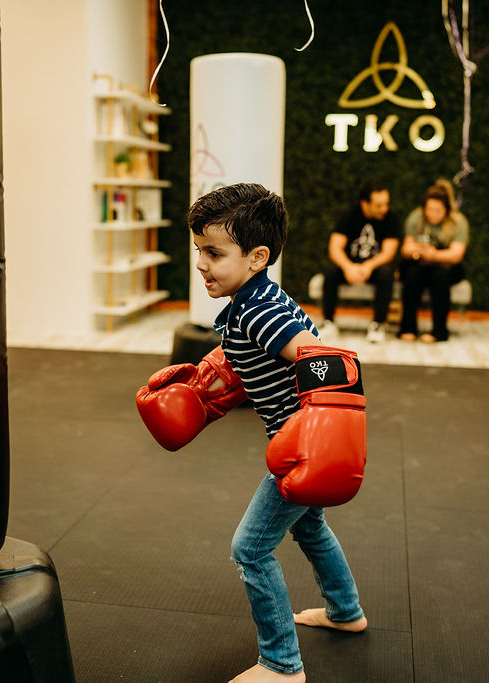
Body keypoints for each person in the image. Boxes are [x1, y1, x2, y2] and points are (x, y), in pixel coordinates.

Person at [136, 183, 367, 682]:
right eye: (199, 250)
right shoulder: (254, 301)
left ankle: (282, 665)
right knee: (310, 527)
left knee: (251, 549)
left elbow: (324, 359)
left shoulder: (259, 312)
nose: (202, 264)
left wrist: (327, 430)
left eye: (215, 253)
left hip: (299, 450)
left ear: (257, 257)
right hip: (295, 443)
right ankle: (345, 611)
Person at [319, 180, 402, 343]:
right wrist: (348, 267)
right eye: (379, 205)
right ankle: (329, 322)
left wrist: (368, 266)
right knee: (330, 271)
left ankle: (378, 324)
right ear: (365, 204)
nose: (384, 209)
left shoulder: (391, 219)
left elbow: (388, 253)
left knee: (386, 273)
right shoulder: (348, 216)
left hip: (374, 268)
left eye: (386, 204)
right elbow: (334, 248)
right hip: (349, 266)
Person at [398, 179, 469, 342]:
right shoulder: (416, 217)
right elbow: (406, 248)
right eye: (429, 209)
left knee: (440, 276)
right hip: (420, 264)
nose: (432, 214)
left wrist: (434, 255)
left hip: (445, 267)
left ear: (446, 209)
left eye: (437, 210)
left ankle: (439, 331)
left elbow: (456, 255)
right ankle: (407, 328)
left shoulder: (458, 222)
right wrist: (419, 251)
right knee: (412, 274)